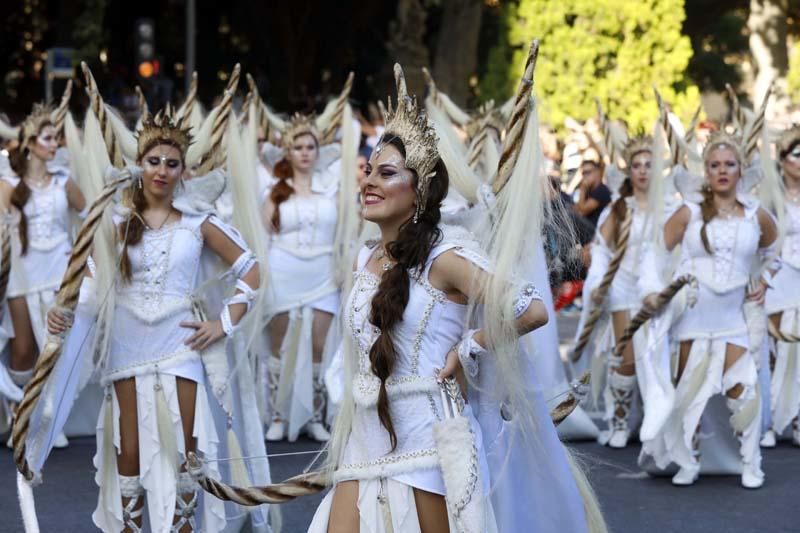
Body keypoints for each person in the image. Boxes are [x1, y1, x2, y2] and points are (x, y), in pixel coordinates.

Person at [309, 64, 604, 533]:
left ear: (420, 189)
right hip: (364, 437)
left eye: (386, 173)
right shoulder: (362, 259)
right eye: (368, 171)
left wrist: (472, 346)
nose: (369, 182)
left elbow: (530, 309)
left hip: (430, 441)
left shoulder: (445, 256)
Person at [43, 112, 270, 532]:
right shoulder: (113, 225)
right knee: (128, 450)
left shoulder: (200, 223)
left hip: (180, 346)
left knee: (186, 449)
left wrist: (222, 323)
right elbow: (85, 288)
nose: (162, 170)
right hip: (127, 348)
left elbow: (252, 270)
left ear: (183, 171)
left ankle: (183, 527)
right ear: (139, 166)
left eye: (171, 163)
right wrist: (64, 312)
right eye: (154, 161)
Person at [639, 131, 778, 488]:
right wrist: (653, 292)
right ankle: (689, 460)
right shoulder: (688, 212)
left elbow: (775, 252)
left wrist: (764, 281)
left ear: (740, 170)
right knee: (688, 393)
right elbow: (655, 252)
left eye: (729, 165)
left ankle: (751, 463)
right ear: (707, 171)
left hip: (736, 317)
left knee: (742, 388)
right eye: (714, 165)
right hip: (693, 316)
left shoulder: (755, 214)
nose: (722, 171)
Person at [261, 111, 355, 442]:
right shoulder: (275, 191)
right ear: (287, 152)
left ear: (318, 151)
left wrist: (346, 268)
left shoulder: (334, 190)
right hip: (284, 269)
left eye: (310, 146)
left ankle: (315, 414)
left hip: (323, 272)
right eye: (298, 146)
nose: (304, 152)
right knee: (279, 343)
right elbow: (264, 234)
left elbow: (348, 231)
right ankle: (277, 413)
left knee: (318, 343)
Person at [0, 104, 86, 449]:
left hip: (58, 272)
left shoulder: (64, 182)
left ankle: (52, 414)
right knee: (23, 349)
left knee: (56, 345)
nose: (55, 144)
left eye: (56, 138)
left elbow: (92, 217)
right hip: (22, 272)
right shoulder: (9, 183)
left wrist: (80, 254)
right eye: (49, 138)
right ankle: (20, 411)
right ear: (32, 143)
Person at [580, 135, 662, 448]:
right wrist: (599, 282)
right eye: (637, 165)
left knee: (655, 357)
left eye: (649, 165)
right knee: (624, 358)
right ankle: (619, 422)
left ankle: (651, 417)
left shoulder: (668, 208)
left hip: (655, 291)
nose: (642, 171)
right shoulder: (618, 209)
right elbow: (601, 250)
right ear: (630, 171)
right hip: (623, 288)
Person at [762, 124, 800, 447]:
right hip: (778, 278)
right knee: (776, 349)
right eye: (796, 155)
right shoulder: (770, 196)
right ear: (783, 158)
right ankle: (772, 419)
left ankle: (798, 417)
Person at [573, 159, 612, 228]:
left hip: (596, 231)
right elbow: (576, 209)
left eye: (588, 172)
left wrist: (582, 189)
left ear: (597, 172)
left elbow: (582, 211)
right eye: (583, 173)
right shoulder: (590, 190)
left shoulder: (601, 190)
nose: (585, 176)